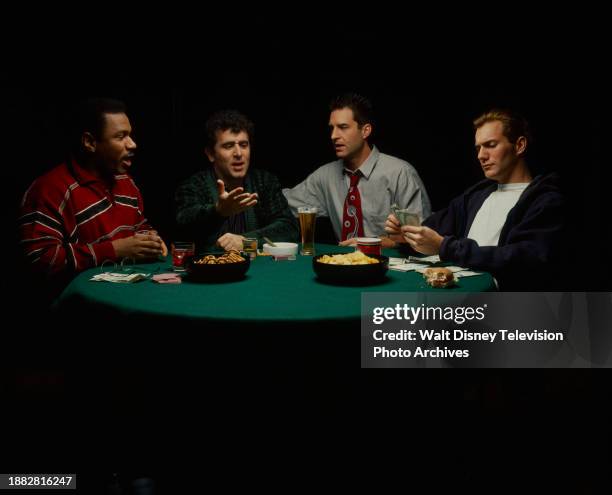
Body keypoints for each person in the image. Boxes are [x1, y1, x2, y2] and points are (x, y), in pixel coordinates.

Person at [386, 109, 565, 290]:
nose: (481, 155)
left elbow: (523, 258)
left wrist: (444, 247)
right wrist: (407, 235)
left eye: (491, 145)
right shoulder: (476, 195)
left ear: (519, 145)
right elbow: (434, 228)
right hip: (455, 291)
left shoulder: (546, 201)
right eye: (478, 148)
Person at [18, 98, 167, 290]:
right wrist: (115, 250)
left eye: (130, 135)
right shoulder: (49, 190)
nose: (132, 144)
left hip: (126, 291)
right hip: (77, 306)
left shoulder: (125, 181)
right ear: (89, 142)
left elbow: (137, 223)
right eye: (121, 137)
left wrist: (148, 239)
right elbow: (40, 259)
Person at [283, 93, 431, 247]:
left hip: (391, 265)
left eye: (343, 127)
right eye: (332, 128)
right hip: (343, 264)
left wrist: (378, 242)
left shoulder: (400, 173)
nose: (334, 136)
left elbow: (424, 236)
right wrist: (257, 190)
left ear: (365, 131)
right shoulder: (325, 176)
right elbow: (280, 203)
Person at [175, 109, 298, 251]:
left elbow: (289, 226)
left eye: (244, 145)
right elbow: (184, 226)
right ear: (210, 154)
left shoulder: (265, 181)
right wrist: (218, 211)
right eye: (228, 146)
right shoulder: (193, 185)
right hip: (213, 270)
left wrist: (246, 241)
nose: (238, 153)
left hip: (260, 269)